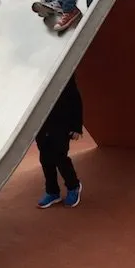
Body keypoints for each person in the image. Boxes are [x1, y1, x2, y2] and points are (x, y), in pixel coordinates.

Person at [36, 74, 83, 209]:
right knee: (45, 158)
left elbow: (75, 99)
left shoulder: (64, 74)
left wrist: (76, 127)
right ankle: (52, 192)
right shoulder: (37, 76)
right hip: (42, 122)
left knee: (59, 156)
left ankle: (73, 186)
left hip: (61, 123)